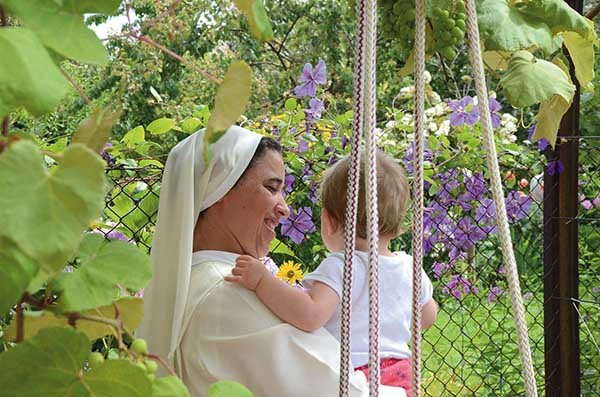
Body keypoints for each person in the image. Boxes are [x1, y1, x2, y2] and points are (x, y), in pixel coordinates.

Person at [136, 126, 406, 397]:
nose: (285, 208)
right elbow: (343, 391)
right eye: (271, 188)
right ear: (219, 189)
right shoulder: (227, 291)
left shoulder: (192, 284)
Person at [226, 149, 438, 396]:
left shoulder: (342, 267)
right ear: (398, 221)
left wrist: (263, 280)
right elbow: (427, 317)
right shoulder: (410, 268)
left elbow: (310, 314)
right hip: (403, 379)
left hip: (357, 376)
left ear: (329, 220)